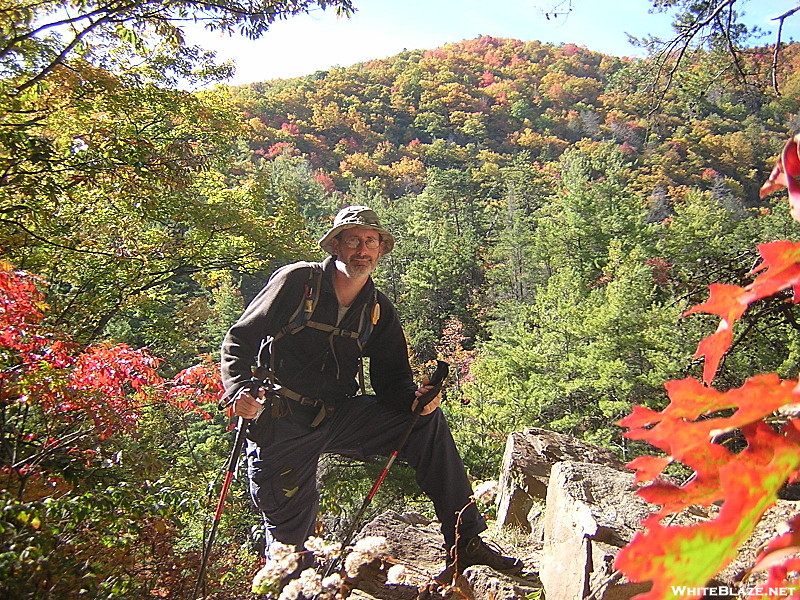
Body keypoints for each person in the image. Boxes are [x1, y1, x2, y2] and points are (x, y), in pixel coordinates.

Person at [220, 205, 522, 585]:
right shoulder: (298, 281)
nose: (361, 249)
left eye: (370, 241)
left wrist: (418, 401)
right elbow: (239, 339)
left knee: (425, 423)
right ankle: (283, 588)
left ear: (380, 250)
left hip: (339, 415)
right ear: (336, 246)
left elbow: (392, 383)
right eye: (352, 240)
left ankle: (465, 540)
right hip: (283, 421)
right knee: (288, 541)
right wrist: (238, 391)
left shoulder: (377, 309)